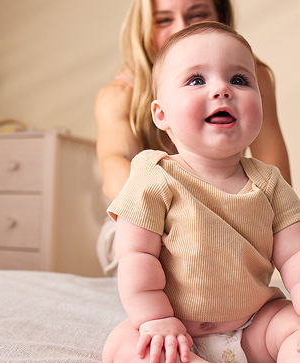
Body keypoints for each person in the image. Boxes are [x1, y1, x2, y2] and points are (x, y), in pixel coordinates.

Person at [103, 22, 300, 363]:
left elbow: (294, 257)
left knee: (294, 330)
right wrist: (156, 320)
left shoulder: (271, 183)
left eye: (240, 79)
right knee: (121, 348)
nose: (222, 89)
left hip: (254, 327)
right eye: (196, 80)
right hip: (177, 335)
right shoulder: (154, 175)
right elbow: (135, 256)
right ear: (161, 115)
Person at [95, 0, 291, 277]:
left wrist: (242, 219)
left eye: (197, 15)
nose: (181, 28)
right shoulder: (119, 95)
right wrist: (185, 218)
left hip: (232, 211)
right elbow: (113, 166)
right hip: (145, 217)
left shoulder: (254, 77)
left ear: (220, 17)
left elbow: (277, 176)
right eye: (163, 20)